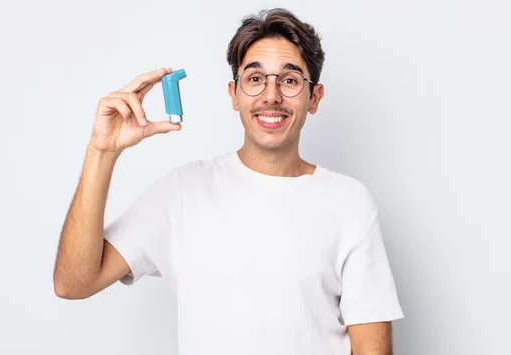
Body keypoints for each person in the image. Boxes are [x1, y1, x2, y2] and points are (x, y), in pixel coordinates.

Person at [54, 7, 404, 355]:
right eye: (254, 79)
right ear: (233, 94)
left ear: (314, 97)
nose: (271, 96)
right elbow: (72, 283)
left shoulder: (349, 203)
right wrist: (102, 151)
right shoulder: (182, 192)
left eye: (290, 80)